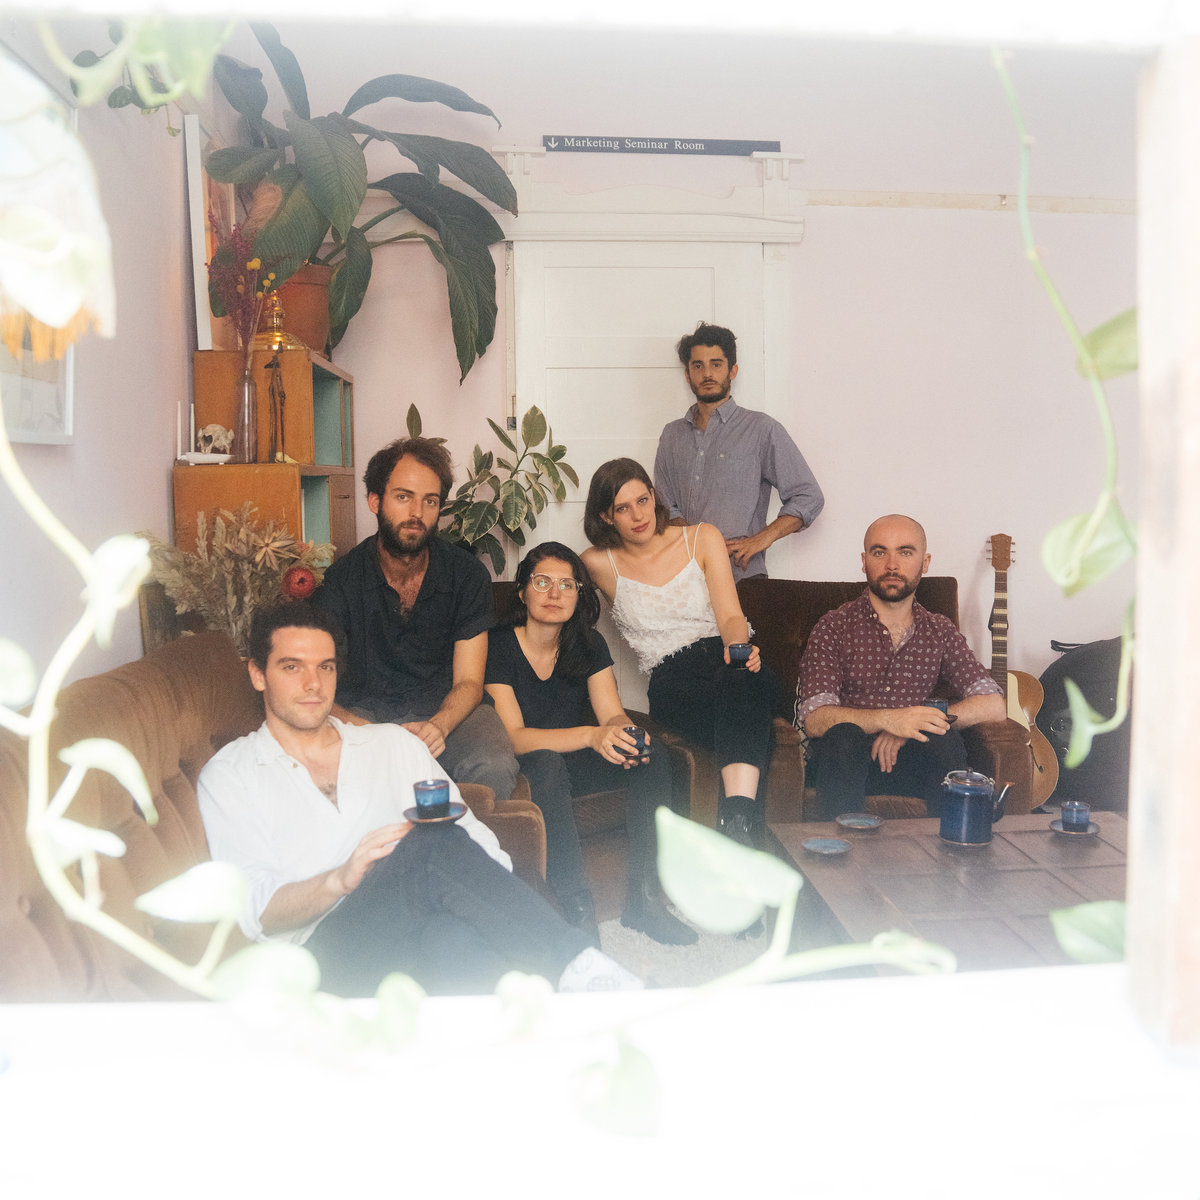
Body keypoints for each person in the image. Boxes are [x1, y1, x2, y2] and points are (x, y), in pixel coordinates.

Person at [197, 602, 640, 998]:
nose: (313, 684)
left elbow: (475, 839)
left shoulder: (393, 746)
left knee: (454, 939)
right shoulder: (230, 775)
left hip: (412, 930)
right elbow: (256, 911)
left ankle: (560, 1026)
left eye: (325, 667)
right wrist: (342, 879)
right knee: (427, 842)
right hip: (318, 961)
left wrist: (475, 902)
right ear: (258, 674)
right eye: (292, 667)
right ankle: (583, 970)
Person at [485, 541, 697, 946]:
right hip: (529, 769)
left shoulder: (588, 644)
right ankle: (577, 908)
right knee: (547, 762)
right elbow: (514, 738)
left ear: (578, 595)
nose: (555, 593)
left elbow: (611, 713)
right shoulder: (499, 646)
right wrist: (590, 735)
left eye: (567, 585)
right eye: (543, 582)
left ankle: (645, 899)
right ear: (522, 591)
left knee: (652, 754)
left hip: (572, 761)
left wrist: (624, 733)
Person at [581, 458, 776, 850]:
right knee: (749, 714)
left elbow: (731, 615)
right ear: (605, 516)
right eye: (623, 508)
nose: (638, 515)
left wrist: (739, 651)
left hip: (726, 658)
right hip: (674, 681)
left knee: (747, 683)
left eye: (643, 500)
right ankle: (741, 830)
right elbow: (557, 596)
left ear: (654, 496)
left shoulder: (701, 537)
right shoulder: (596, 563)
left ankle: (736, 823)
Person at [312, 437, 519, 803]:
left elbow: (469, 681)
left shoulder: (466, 575)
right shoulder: (342, 581)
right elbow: (318, 685)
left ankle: (462, 841)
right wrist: (378, 735)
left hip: (448, 713)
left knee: (494, 764)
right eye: (403, 497)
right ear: (375, 501)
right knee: (344, 775)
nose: (417, 513)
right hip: (367, 718)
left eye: (430, 501)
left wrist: (439, 725)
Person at [795, 514, 1006, 819]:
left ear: (925, 563)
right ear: (864, 561)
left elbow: (993, 705)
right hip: (844, 764)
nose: (892, 565)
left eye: (905, 552)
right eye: (880, 552)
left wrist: (914, 724)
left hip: (912, 764)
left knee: (942, 736)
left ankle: (951, 841)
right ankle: (841, 845)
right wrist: (892, 720)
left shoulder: (940, 630)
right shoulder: (834, 626)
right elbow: (816, 719)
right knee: (844, 735)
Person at [653, 321, 824, 581]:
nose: (707, 373)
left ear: (732, 370)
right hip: (682, 577)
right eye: (698, 366)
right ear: (687, 374)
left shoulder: (762, 429)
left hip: (742, 577)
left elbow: (809, 496)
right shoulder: (672, 435)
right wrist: (697, 545)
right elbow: (664, 506)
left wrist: (761, 539)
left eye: (716, 364)